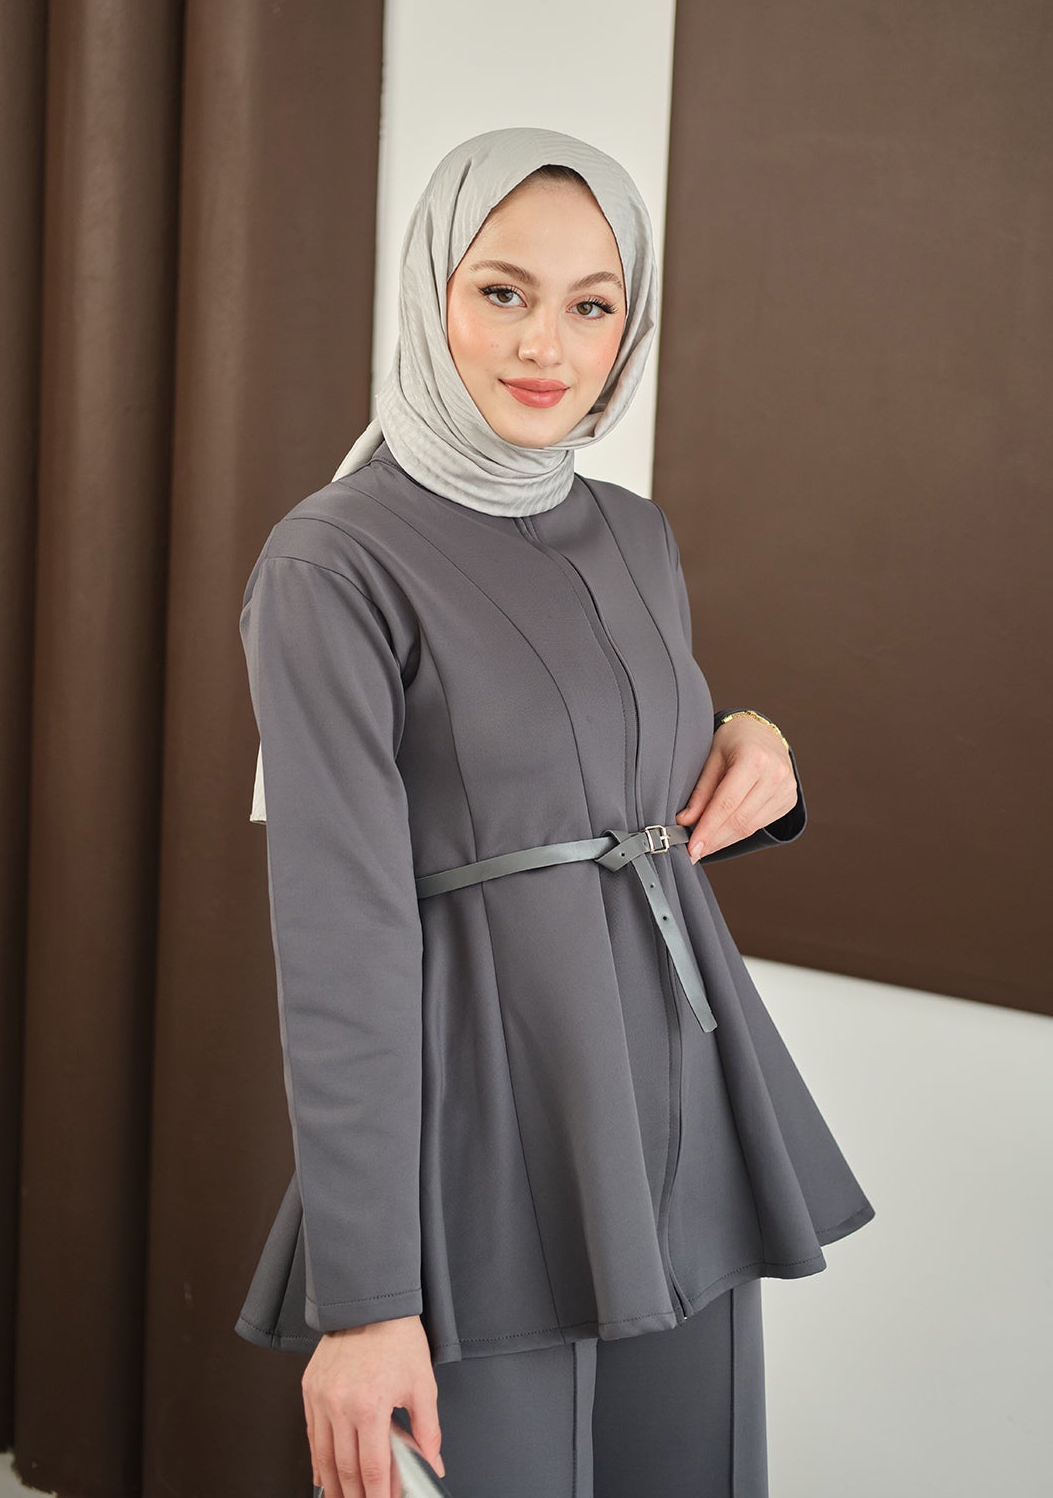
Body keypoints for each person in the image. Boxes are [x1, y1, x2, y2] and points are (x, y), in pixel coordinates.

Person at [235, 127, 875, 1498]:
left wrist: (757, 742)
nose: (546, 345)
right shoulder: (331, 563)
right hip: (479, 1133)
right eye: (502, 292)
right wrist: (367, 1299)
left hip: (680, 1102)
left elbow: (608, 765)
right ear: (431, 292)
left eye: (593, 305)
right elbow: (339, 940)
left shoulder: (636, 533)